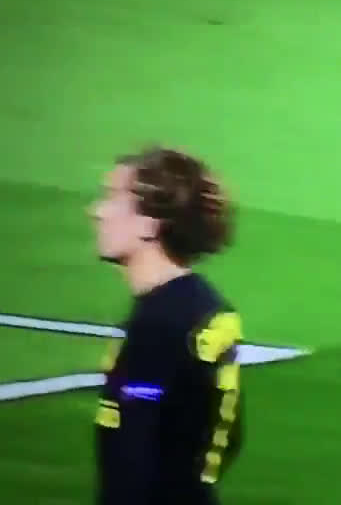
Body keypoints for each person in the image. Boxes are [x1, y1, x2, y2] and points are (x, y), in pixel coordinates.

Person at [90, 147, 244, 505]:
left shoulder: (159, 324)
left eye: (113, 198)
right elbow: (229, 437)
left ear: (149, 224)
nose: (97, 211)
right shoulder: (202, 304)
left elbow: (134, 454)